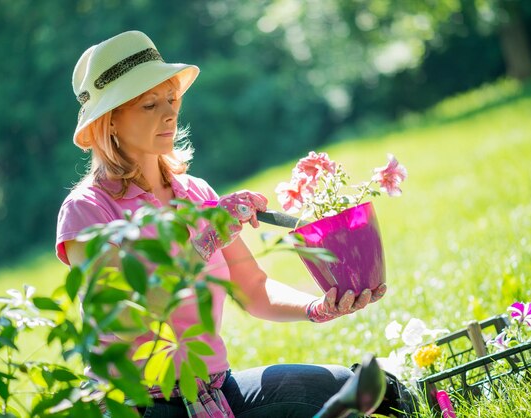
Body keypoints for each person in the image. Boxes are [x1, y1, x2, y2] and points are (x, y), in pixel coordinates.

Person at [56, 30, 387, 418]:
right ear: (109, 122)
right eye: (149, 104)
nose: (170, 113)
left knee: (332, 386)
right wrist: (204, 243)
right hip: (139, 405)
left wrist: (318, 308)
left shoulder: (195, 192)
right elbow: (125, 318)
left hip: (213, 390)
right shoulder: (86, 210)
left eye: (171, 98)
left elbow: (253, 289)